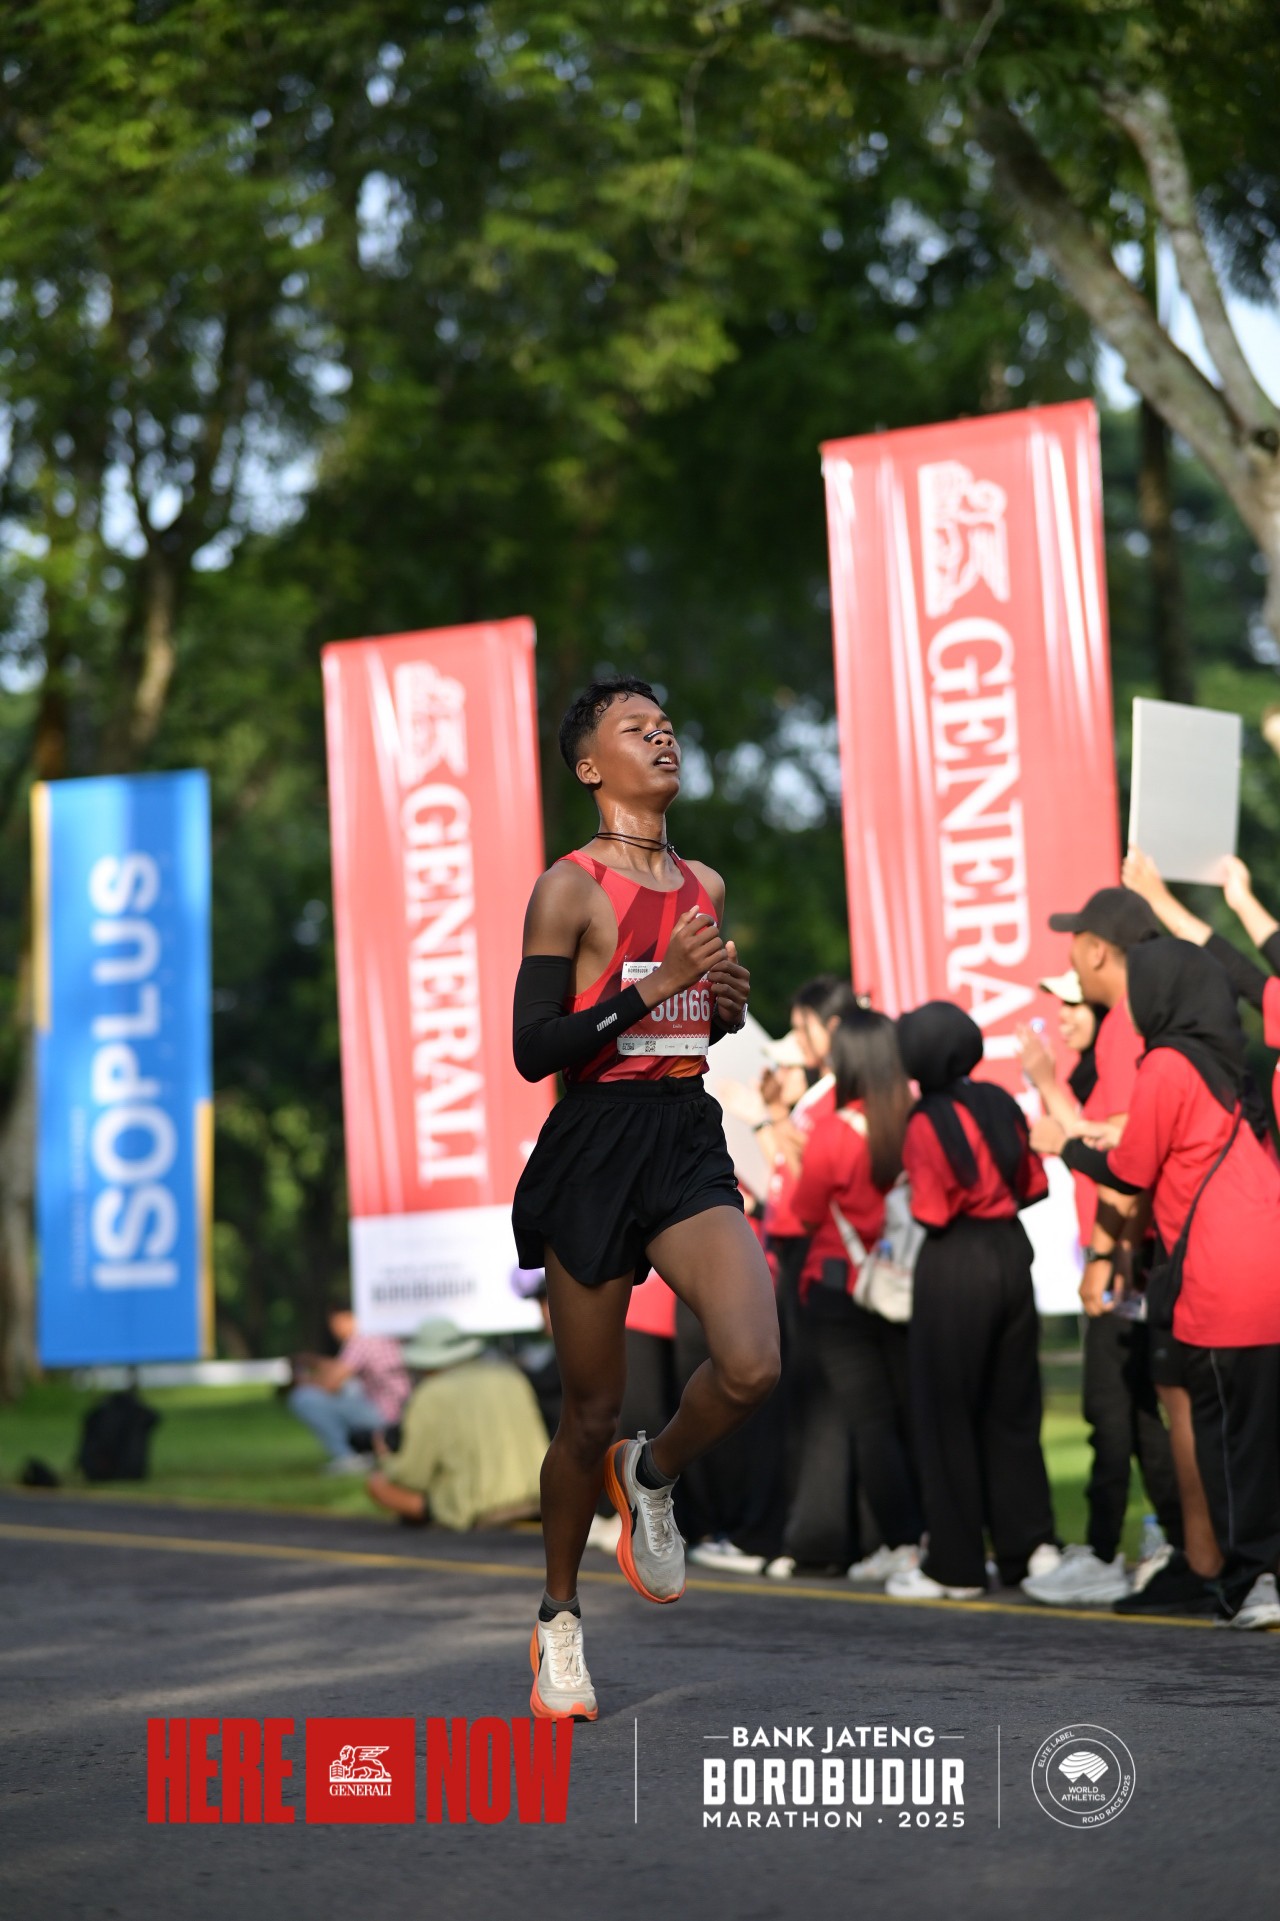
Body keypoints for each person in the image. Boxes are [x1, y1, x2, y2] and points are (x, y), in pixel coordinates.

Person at [510, 676, 779, 1721]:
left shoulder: (703, 882)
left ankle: (654, 1474)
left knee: (752, 1362)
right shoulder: (566, 888)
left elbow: (687, 1026)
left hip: (683, 1133)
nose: (662, 738)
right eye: (636, 729)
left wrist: (720, 1009)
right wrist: (656, 985)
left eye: (666, 726)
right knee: (587, 1412)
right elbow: (535, 1045)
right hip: (593, 1144)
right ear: (591, 766)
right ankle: (558, 1620)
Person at [1065, 939, 1280, 1628]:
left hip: (1220, 1273)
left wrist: (1066, 1144)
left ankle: (1251, 1579)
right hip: (1268, 1257)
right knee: (1262, 1430)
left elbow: (1131, 1168)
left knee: (1222, 1434)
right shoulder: (1232, 1064)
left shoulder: (1166, 1062)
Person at [1018, 886, 1184, 1608]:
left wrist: (1104, 1257)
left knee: (1118, 1410)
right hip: (1139, 1253)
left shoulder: (1123, 1031)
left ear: (1097, 956)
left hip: (1131, 1258)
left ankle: (1119, 1551)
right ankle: (1183, 1547)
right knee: (1143, 1413)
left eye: (1070, 998)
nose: (1063, 1011)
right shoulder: (1130, 1035)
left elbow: (1124, 1164)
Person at [888, 1002, 1058, 1601]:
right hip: (1012, 1251)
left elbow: (933, 1211)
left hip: (955, 1259)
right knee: (1014, 1407)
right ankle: (1029, 1549)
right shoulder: (1000, 1101)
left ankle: (956, 1566)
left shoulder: (924, 1119)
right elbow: (1034, 1184)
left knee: (946, 1414)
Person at [790, 1008, 923, 1583]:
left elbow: (803, 1212)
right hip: (904, 1282)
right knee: (909, 1414)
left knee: (870, 1422)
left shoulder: (835, 1131)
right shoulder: (914, 1121)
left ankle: (899, 1541)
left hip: (841, 1285)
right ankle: (927, 1533)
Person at [365, 1319, 548, 1530]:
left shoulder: (431, 1394)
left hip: (478, 1506)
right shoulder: (511, 1376)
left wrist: (385, 1457)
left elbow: (413, 1476)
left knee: (379, 1485)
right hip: (540, 1496)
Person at [288, 1306, 410, 1474]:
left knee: (304, 1398)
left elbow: (332, 1383)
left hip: (388, 1413)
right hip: (408, 1407)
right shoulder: (387, 1334)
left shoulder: (362, 1339)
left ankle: (347, 1456)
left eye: (336, 1323)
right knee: (352, 1387)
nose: (335, 1330)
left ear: (350, 1317)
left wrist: (304, 1380)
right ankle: (369, 1448)